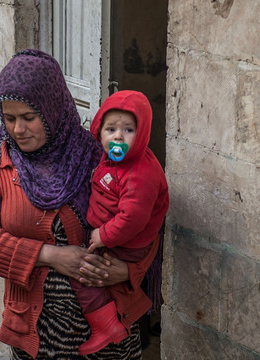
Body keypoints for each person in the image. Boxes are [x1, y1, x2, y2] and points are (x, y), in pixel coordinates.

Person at [0, 49, 160, 359]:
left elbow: (145, 219)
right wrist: (50, 256)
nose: (18, 129)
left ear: (52, 108)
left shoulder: (98, 157)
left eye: (29, 117)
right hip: (38, 331)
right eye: (9, 118)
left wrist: (127, 270)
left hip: (111, 325)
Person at [71, 90, 169, 355]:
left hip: (125, 241)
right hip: (112, 234)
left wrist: (103, 236)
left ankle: (110, 326)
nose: (117, 136)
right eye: (110, 128)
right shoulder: (112, 158)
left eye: (128, 130)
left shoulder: (140, 172)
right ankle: (117, 317)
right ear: (99, 129)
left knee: (87, 277)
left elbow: (132, 218)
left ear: (143, 133)